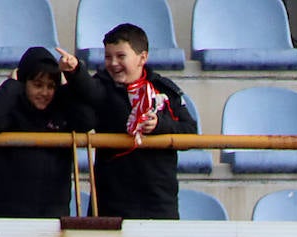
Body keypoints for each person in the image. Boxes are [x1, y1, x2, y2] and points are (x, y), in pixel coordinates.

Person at [55, 23, 196, 219]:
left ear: (142, 58)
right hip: (111, 204)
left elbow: (190, 131)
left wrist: (159, 126)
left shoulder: (163, 90)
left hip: (158, 203)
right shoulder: (103, 86)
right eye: (108, 57)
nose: (113, 63)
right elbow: (90, 89)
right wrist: (75, 70)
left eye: (121, 56)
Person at [0, 48, 92, 218]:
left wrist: (65, 89)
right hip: (8, 215)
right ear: (23, 82)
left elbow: (87, 121)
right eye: (37, 85)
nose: (45, 93)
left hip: (53, 216)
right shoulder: (11, 110)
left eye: (51, 86)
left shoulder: (61, 111)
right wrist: (13, 84)